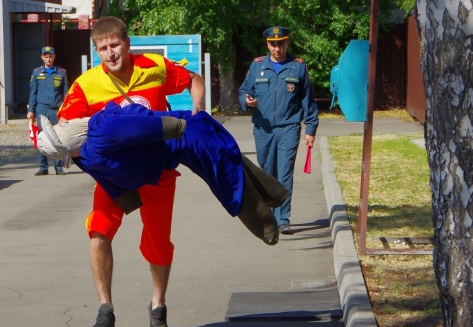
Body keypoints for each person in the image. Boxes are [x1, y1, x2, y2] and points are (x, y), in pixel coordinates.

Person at [57, 16, 205, 327]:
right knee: (98, 230)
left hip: (157, 172)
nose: (110, 53)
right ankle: (105, 308)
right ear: (97, 51)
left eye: (114, 45)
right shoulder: (86, 85)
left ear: (127, 44)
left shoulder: (154, 67)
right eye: (102, 48)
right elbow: (66, 129)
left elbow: (194, 79)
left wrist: (198, 110)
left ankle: (158, 305)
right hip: (115, 175)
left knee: (158, 245)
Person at [37, 101, 287, 245]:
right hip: (189, 135)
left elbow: (114, 186)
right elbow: (145, 127)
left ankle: (276, 193)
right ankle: (266, 227)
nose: (64, 122)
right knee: (230, 180)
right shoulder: (102, 130)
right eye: (61, 127)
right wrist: (181, 124)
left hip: (172, 156)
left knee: (231, 160)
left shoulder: (85, 157)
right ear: (67, 137)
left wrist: (129, 201)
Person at [238, 26, 319, 235]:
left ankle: (283, 219)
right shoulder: (257, 67)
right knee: (267, 172)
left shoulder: (297, 67)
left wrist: (311, 128)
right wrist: (247, 101)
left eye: (281, 43)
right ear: (268, 45)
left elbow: (308, 101)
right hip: (263, 129)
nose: (277, 48)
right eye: (273, 44)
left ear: (287, 43)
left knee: (285, 172)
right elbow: (244, 91)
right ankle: (270, 215)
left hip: (289, 127)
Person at [27, 46, 68, 176]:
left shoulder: (61, 72)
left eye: (50, 56)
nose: (48, 58)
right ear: (42, 57)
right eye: (45, 56)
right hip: (42, 109)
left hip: (56, 109)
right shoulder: (36, 73)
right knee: (42, 137)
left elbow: (66, 93)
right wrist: (31, 110)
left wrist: (66, 110)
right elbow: (33, 92)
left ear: (54, 57)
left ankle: (58, 167)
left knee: (57, 137)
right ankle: (43, 167)